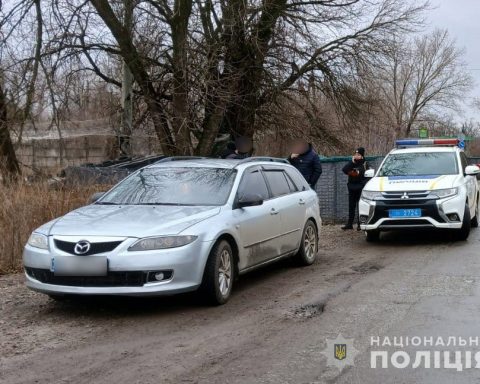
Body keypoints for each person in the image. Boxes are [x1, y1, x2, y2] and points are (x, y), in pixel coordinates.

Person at [342, 147, 369, 230]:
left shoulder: (365, 164)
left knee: (360, 207)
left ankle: (360, 224)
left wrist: (362, 184)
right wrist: (351, 162)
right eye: (355, 154)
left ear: (362, 156)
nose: (356, 156)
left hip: (360, 188)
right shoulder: (352, 163)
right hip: (351, 187)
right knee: (351, 206)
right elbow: (344, 170)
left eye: (358, 154)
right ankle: (350, 224)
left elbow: (365, 175)